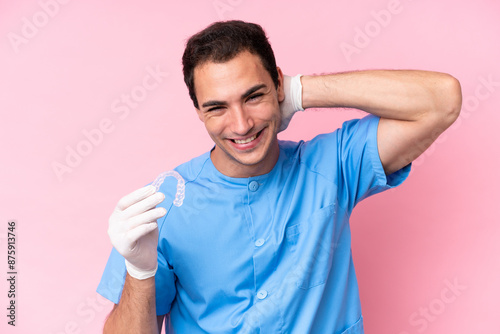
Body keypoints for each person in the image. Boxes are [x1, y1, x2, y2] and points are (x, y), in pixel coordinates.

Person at [97, 20, 462, 334]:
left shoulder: (332, 165)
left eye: (254, 96)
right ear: (197, 111)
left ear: (277, 85)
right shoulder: (164, 204)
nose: (241, 125)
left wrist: (302, 90)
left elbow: (442, 99)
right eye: (217, 107)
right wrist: (139, 271)